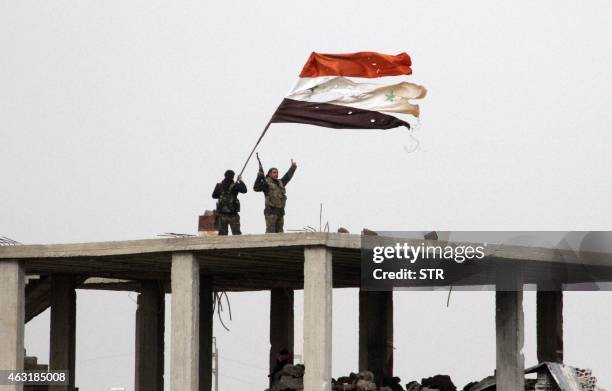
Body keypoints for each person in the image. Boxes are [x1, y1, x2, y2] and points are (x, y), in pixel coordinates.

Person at [253, 158, 297, 233]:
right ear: (269, 174)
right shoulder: (266, 183)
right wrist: (259, 177)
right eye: (274, 172)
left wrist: (293, 168)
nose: (276, 174)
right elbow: (256, 188)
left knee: (280, 234)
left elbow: (287, 177)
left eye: (277, 172)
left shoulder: (280, 183)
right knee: (270, 234)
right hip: (271, 212)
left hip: (280, 212)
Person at [212, 169, 247, 235]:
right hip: (233, 214)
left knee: (222, 234)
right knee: (236, 234)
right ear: (233, 176)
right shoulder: (235, 185)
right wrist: (240, 180)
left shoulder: (219, 185)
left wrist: (222, 195)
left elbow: (214, 196)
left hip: (222, 214)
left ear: (224, 175)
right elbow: (244, 190)